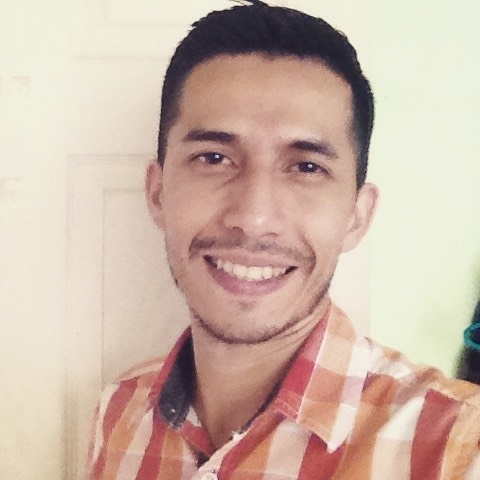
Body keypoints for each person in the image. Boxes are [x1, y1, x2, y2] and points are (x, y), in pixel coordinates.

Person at [86, 2, 480, 479]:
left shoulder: (456, 445)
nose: (253, 219)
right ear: (157, 194)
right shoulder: (120, 413)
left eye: (307, 167)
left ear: (357, 216)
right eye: (214, 158)